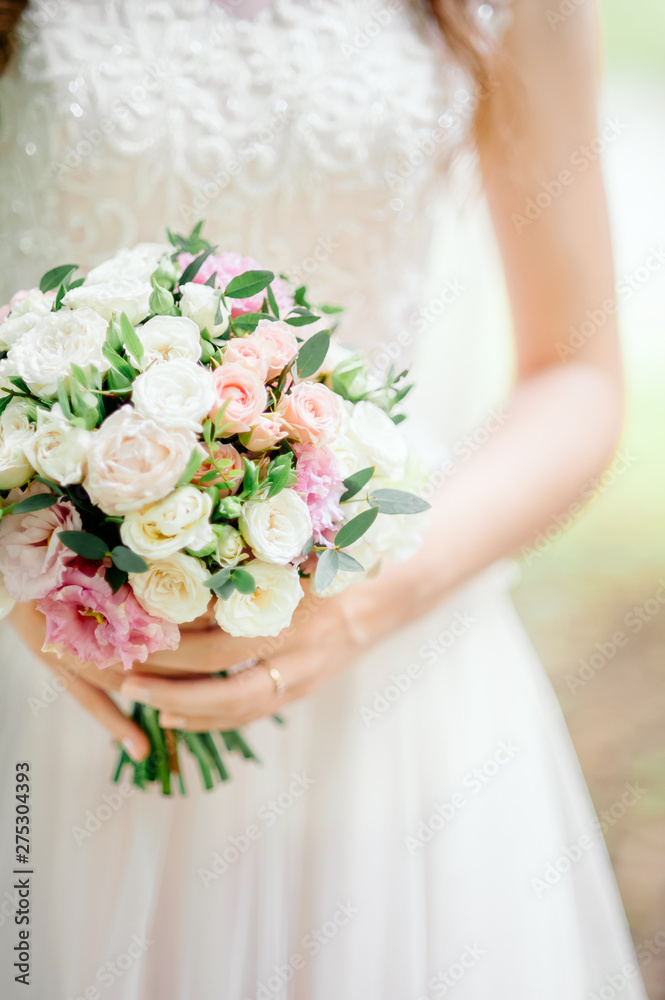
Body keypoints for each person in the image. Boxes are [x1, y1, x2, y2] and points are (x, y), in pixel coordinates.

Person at [0, 0, 647, 997]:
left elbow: (576, 376)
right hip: (34, 683)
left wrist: (359, 605)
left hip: (383, 684)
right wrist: (19, 577)